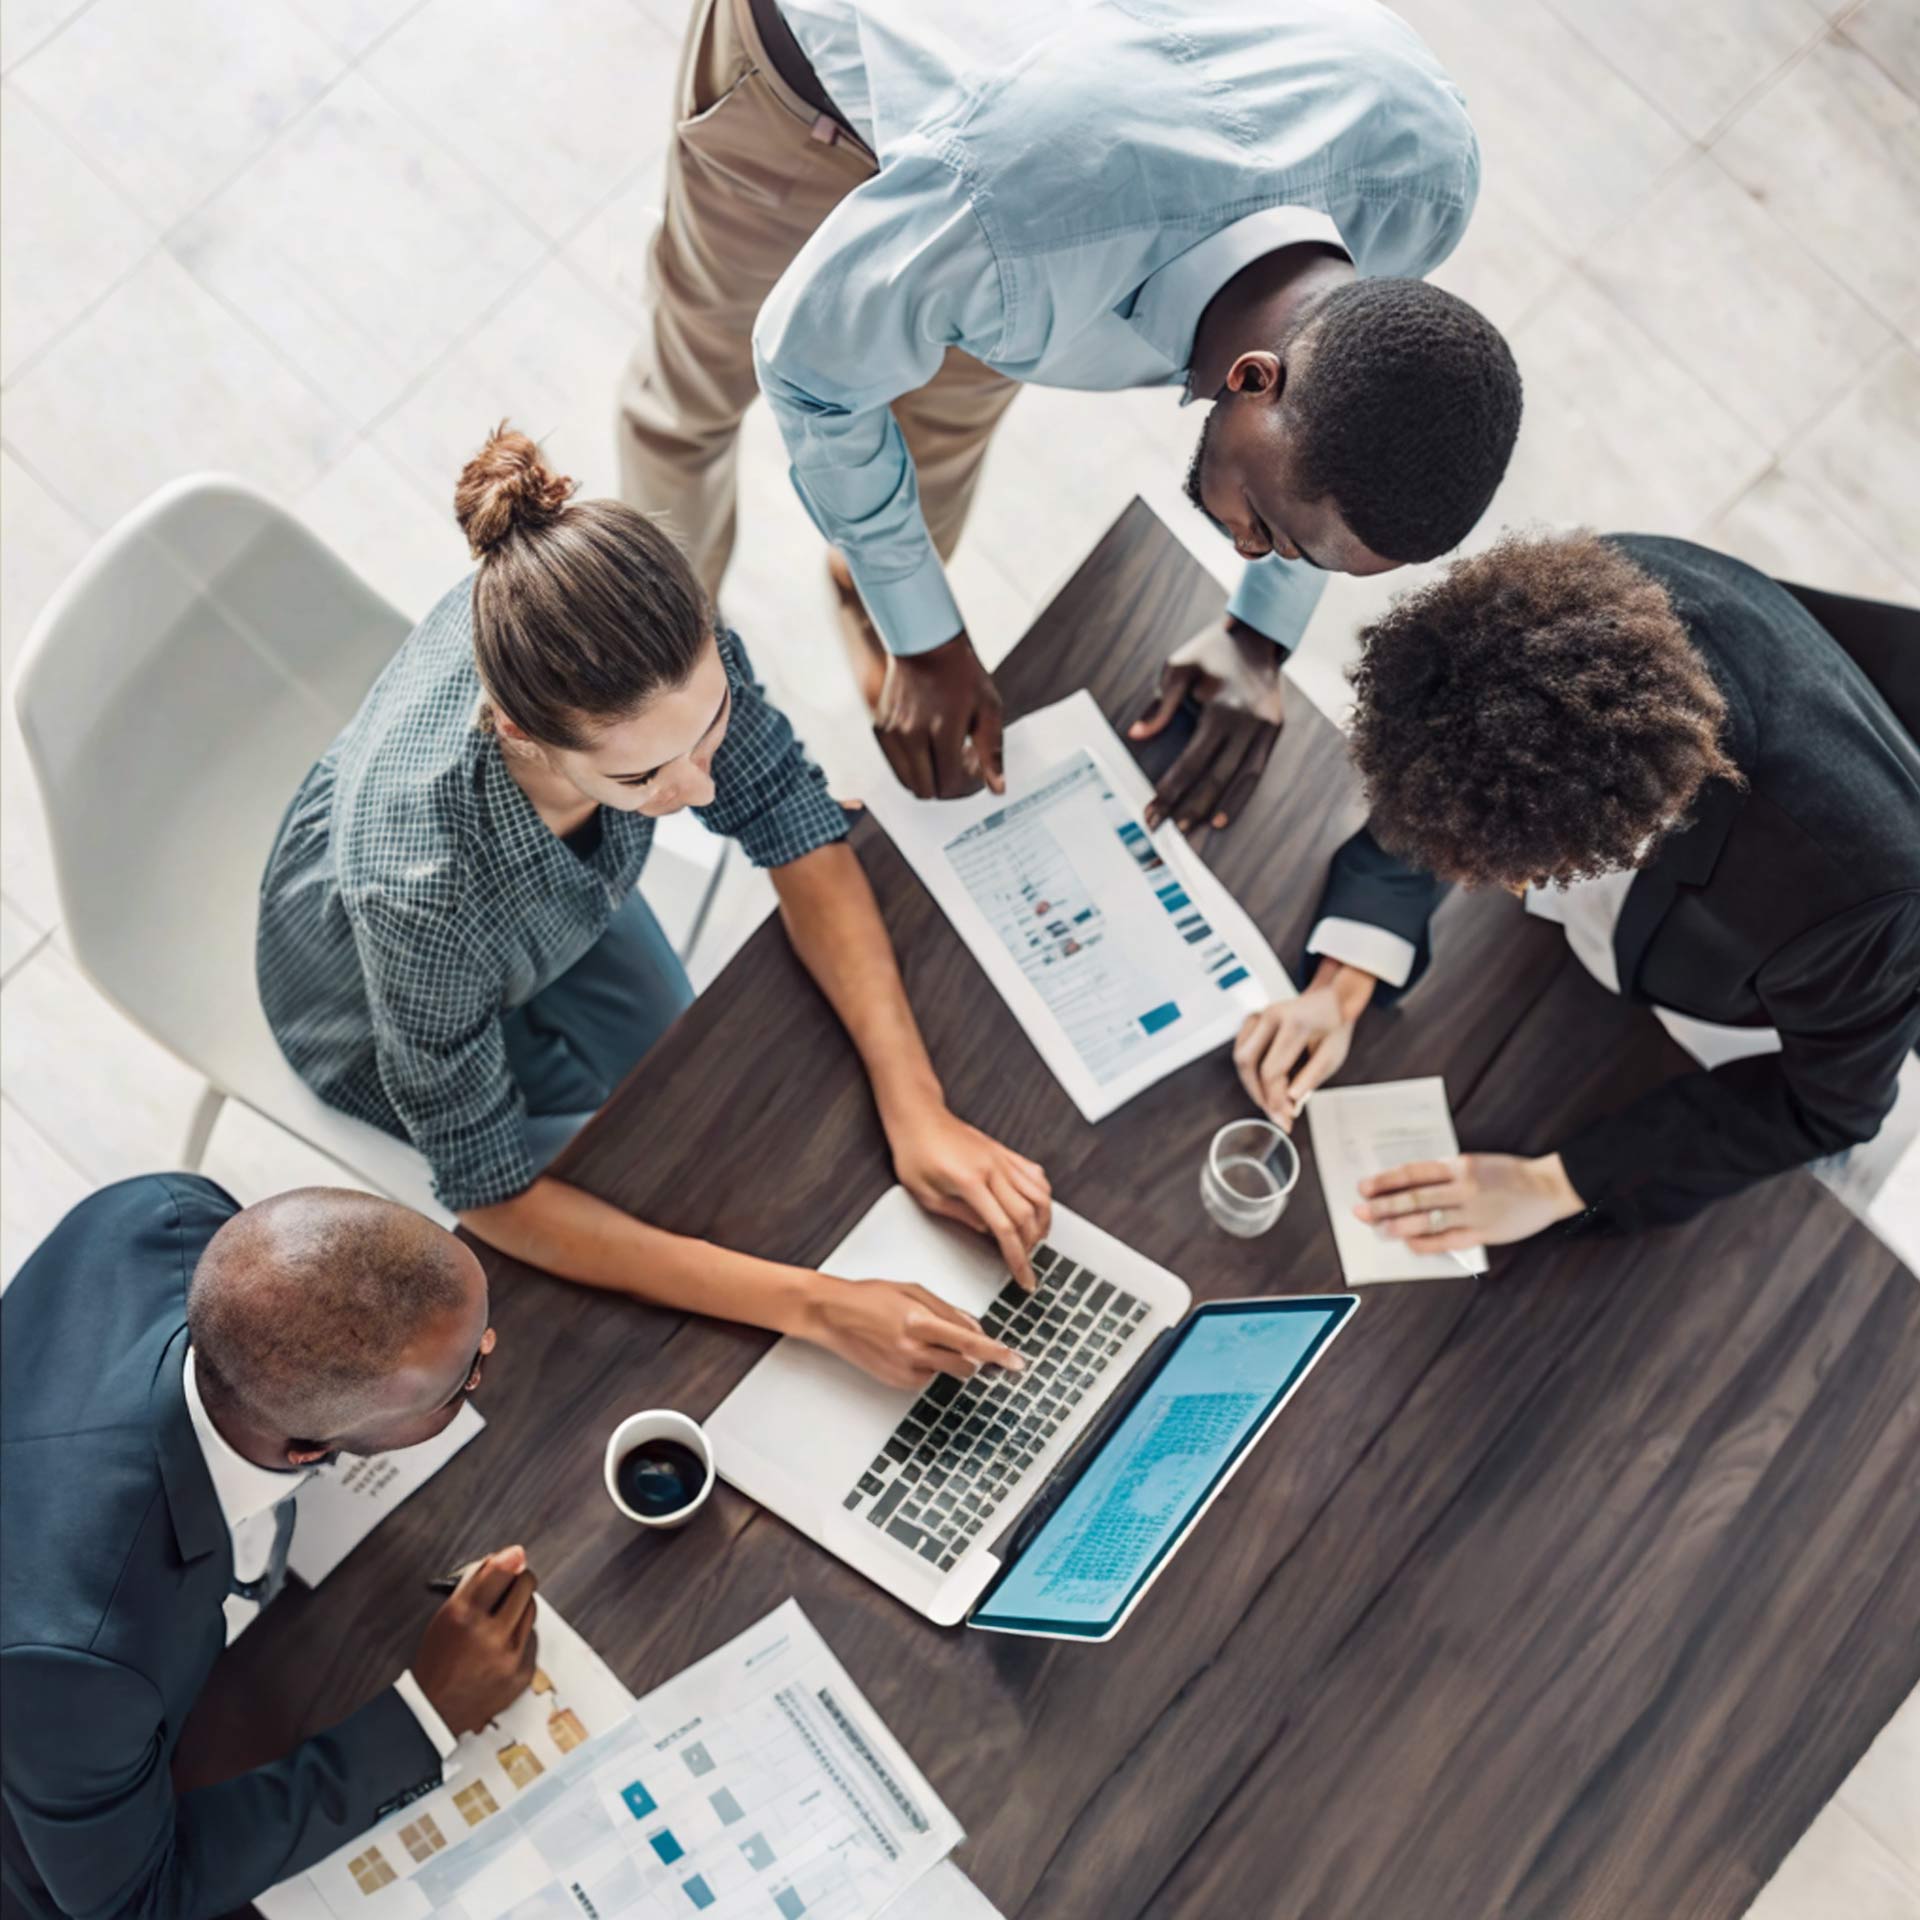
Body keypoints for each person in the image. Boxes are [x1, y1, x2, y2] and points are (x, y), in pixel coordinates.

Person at [259, 426, 1044, 1388]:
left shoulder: (653, 644)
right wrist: (817, 1309)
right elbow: (493, 1191)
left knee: (705, 1092)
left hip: (552, 913)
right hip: (365, 995)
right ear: (522, 734)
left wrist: (917, 1107)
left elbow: (790, 816)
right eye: (644, 773)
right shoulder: (417, 886)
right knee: (656, 1172)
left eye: (710, 728)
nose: (706, 790)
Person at [618, 0, 1523, 825]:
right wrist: (931, 645)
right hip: (806, 113)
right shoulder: (1015, 225)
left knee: (935, 445)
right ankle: (665, 677)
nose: (1250, 551)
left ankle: (868, 593)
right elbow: (810, 373)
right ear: (1249, 379)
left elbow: (1363, 412)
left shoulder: (1423, 182)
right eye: (1274, 536)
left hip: (1027, 173)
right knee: (693, 400)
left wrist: (1260, 631)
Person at [1231, 532, 1920, 1245]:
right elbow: (1447, 771)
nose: (1487, 885)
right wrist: (1342, 985)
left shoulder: (1863, 907)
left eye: (1508, 871)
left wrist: (1558, 1184)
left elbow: (1828, 1111)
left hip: (1778, 995)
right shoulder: (1570, 616)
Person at [0, 1176, 538, 1920]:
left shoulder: (171, 1210)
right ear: (304, 1449)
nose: (490, 1352)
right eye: (464, 1379)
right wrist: (428, 1712)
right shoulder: (85, 1661)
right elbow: (135, 1899)